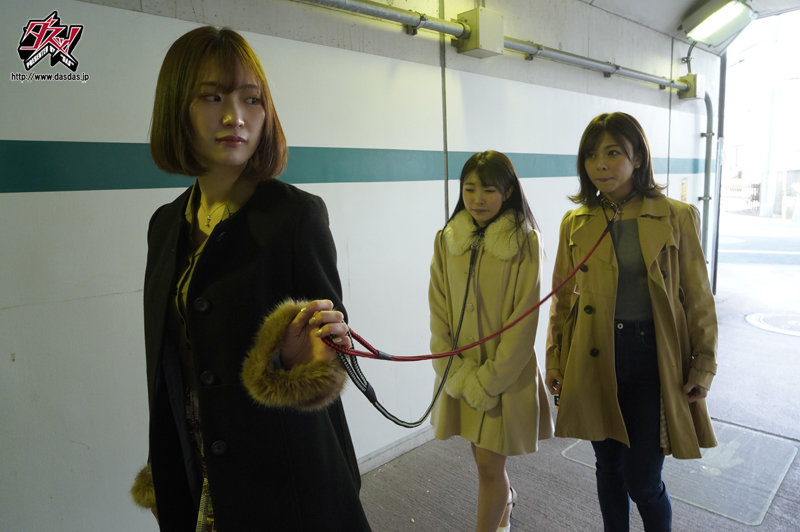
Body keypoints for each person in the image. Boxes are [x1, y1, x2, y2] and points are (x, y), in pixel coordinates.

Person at [128, 26, 371, 531]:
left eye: (251, 99)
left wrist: (298, 363)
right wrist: (165, 462)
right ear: (176, 107)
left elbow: (331, 358)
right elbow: (168, 362)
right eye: (212, 97)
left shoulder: (295, 217)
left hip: (283, 478)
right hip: (197, 469)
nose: (235, 116)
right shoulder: (165, 225)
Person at [545, 112, 718, 531]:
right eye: (591, 155)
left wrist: (703, 365)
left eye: (613, 153)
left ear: (638, 158)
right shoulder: (576, 222)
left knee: (642, 479)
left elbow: (698, 297)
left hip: (652, 358)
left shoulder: (676, 216)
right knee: (608, 467)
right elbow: (563, 300)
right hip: (594, 354)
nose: (600, 165)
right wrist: (555, 359)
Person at [428, 151, 554, 532]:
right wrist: (449, 365)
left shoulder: (525, 242)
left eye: (488, 190)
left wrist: (489, 380)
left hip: (503, 376)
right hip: (461, 369)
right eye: (469, 189)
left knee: (487, 464)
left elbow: (524, 320)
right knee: (480, 456)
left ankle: (500, 512)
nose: (477, 199)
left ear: (508, 191)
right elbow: (438, 305)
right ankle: (505, 507)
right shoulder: (447, 239)